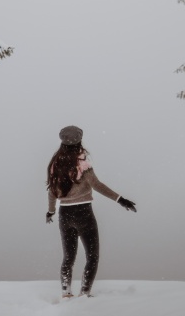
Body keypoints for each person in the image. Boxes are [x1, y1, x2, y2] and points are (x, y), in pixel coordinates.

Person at [46, 125, 136, 299]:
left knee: (68, 258)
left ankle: (66, 293)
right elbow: (98, 185)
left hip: (64, 215)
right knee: (92, 256)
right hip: (83, 213)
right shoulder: (82, 164)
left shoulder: (55, 164)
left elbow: (51, 192)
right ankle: (85, 293)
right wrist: (120, 199)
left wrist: (50, 212)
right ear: (79, 140)